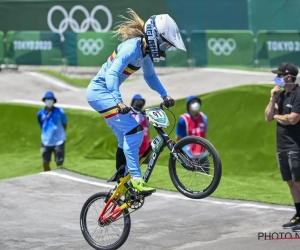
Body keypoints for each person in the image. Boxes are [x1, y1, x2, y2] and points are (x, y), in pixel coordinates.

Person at [85, 8, 186, 193]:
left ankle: (120, 185)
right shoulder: (132, 48)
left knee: (125, 138)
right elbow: (112, 74)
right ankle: (136, 179)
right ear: (155, 37)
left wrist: (165, 95)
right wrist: (118, 101)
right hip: (99, 93)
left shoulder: (144, 53)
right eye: (165, 45)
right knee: (135, 130)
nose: (165, 50)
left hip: (104, 94)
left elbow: (150, 77)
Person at [264, 62, 300, 231]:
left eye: (279, 75)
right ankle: (298, 214)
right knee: (291, 182)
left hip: (296, 145)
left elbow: (293, 119)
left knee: (299, 181)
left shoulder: (298, 95)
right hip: (282, 145)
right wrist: (272, 99)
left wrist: (279, 115)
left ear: (287, 77)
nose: (276, 78)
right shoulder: (279, 95)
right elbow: (268, 117)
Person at [175, 95, 209, 173]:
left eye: (197, 102)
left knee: (206, 177)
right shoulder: (183, 120)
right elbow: (178, 137)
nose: (196, 104)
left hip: (202, 153)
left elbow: (204, 133)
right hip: (189, 154)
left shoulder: (204, 118)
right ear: (188, 105)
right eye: (193, 102)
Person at [37, 91, 68, 172]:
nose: (49, 101)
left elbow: (64, 123)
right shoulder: (40, 113)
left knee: (59, 162)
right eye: (47, 99)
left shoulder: (60, 112)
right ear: (44, 101)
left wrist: (60, 133)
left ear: (53, 101)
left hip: (58, 141)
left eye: (50, 99)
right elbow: (41, 125)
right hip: (46, 141)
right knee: (45, 162)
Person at [131, 94, 151, 161]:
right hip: (136, 147)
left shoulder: (144, 116)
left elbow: (147, 132)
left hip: (144, 147)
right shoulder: (132, 115)